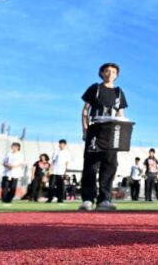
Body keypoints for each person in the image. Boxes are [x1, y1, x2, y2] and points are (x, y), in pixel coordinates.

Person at [80, 63, 128, 211]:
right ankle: (88, 199)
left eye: (113, 72)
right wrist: (85, 130)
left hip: (112, 133)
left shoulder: (119, 92)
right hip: (95, 130)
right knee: (91, 166)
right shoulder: (95, 88)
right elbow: (85, 111)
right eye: (107, 71)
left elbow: (120, 115)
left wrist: (121, 133)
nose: (110, 73)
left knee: (110, 166)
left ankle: (105, 199)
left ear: (116, 75)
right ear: (101, 73)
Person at [48, 139, 71, 204]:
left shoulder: (67, 153)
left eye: (63, 144)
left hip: (61, 172)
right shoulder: (56, 152)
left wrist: (65, 172)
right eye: (60, 144)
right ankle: (50, 198)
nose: (61, 145)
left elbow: (67, 163)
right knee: (51, 186)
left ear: (65, 145)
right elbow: (53, 161)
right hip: (54, 172)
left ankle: (60, 199)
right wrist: (50, 170)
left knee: (61, 187)